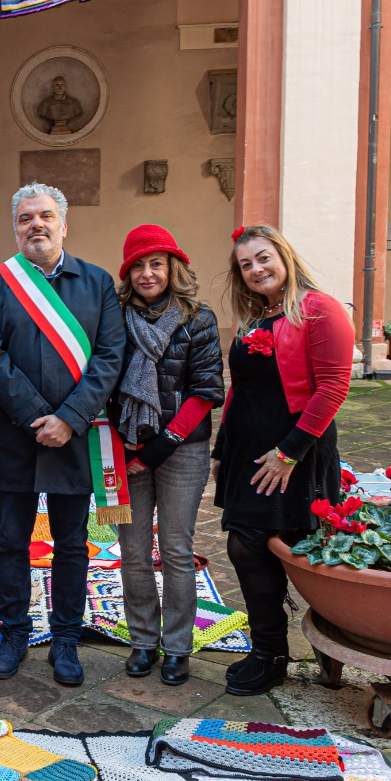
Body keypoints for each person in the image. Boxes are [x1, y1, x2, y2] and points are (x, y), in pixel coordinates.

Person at [0, 183, 125, 688]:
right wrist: (40, 416)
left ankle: (65, 638)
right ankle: (13, 633)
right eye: (24, 219)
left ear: (64, 224)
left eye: (44, 216)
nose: (35, 225)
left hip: (74, 436)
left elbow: (109, 357)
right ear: (15, 228)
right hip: (13, 435)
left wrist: (70, 418)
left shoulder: (98, 282)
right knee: (11, 541)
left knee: (72, 543)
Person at [213, 224, 353, 696]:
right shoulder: (255, 317)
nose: (256, 269)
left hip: (294, 453)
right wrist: (222, 450)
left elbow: (333, 387)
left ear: (285, 256)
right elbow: (241, 391)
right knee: (248, 547)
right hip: (249, 454)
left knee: (269, 547)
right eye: (246, 264)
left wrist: (289, 453)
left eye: (263, 258)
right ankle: (270, 651)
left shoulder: (319, 310)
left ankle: (285, 652)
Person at [111, 225, 224, 688]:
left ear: (172, 267)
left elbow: (206, 390)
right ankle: (143, 641)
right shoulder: (114, 318)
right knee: (133, 552)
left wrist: (162, 445)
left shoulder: (198, 318)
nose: (147, 273)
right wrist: (124, 447)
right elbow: (105, 381)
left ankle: (177, 647)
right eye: (138, 265)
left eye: (156, 263)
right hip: (127, 449)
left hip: (182, 450)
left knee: (175, 550)